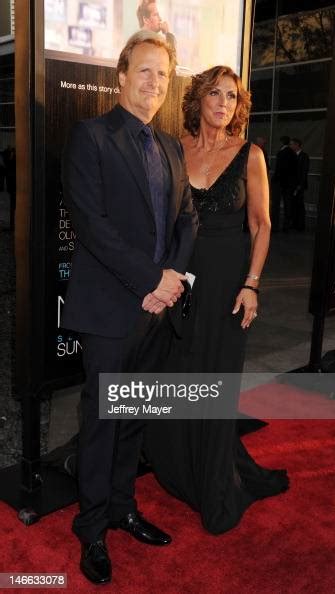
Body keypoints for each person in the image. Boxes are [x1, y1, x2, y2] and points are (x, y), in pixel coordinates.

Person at [61, 31, 198, 585]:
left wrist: (171, 283)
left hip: (158, 309)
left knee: (136, 416)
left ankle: (122, 507)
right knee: (101, 421)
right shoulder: (90, 137)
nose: (155, 83)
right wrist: (151, 278)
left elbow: (188, 219)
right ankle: (91, 527)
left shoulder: (169, 146)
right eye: (144, 71)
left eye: (163, 74)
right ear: (120, 76)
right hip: (111, 309)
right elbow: (93, 224)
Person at [144, 66, 289, 535]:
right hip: (181, 278)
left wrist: (252, 285)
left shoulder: (250, 155)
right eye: (215, 94)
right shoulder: (174, 148)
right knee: (176, 370)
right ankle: (179, 466)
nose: (223, 103)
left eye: (232, 97)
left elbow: (261, 225)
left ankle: (212, 480)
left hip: (228, 282)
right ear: (198, 100)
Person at [271, 135, 297, 232]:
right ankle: (286, 226)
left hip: (279, 182)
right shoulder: (293, 153)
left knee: (276, 205)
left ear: (282, 142)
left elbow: (279, 168)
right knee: (287, 205)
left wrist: (274, 179)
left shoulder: (281, 153)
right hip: (289, 183)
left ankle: (274, 226)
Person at [290, 137, 310, 231]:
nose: (291, 146)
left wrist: (299, 185)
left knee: (299, 205)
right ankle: (295, 223)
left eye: (292, 144)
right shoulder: (293, 155)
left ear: (297, 145)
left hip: (299, 185)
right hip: (294, 184)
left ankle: (300, 225)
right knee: (294, 205)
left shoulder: (304, 156)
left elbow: (304, 172)